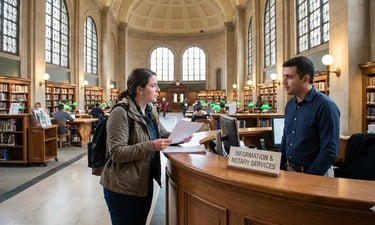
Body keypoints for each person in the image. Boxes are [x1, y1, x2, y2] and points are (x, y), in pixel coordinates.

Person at [100, 68, 191, 225]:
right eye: (153, 85)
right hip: (122, 186)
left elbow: (162, 132)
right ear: (140, 89)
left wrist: (179, 137)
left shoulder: (150, 110)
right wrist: (151, 146)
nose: (158, 89)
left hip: (142, 182)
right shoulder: (120, 113)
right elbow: (116, 152)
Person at [280, 56, 340, 177]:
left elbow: (329, 151)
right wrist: (278, 166)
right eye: (284, 76)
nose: (284, 82)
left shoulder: (325, 106)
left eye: (289, 77)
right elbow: (286, 138)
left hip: (316, 175)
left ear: (305, 79)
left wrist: (309, 177)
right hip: (290, 171)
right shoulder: (290, 105)